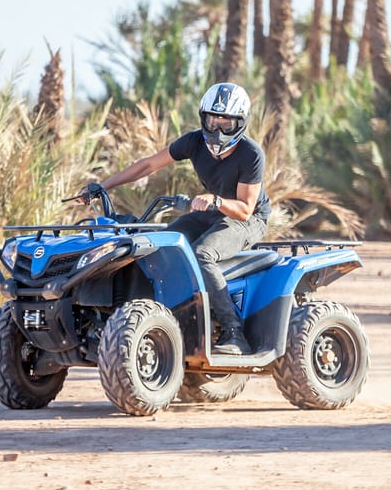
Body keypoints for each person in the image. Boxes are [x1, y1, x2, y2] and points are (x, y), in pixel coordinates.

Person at [87, 82, 271, 355]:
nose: (218, 130)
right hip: (212, 212)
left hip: (247, 219)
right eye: (212, 121)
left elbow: (245, 208)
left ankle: (233, 332)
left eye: (227, 124)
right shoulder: (194, 141)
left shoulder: (251, 154)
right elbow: (148, 164)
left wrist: (216, 200)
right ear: (203, 118)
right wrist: (104, 186)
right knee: (163, 246)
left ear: (241, 124)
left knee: (203, 254)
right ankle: (170, 319)